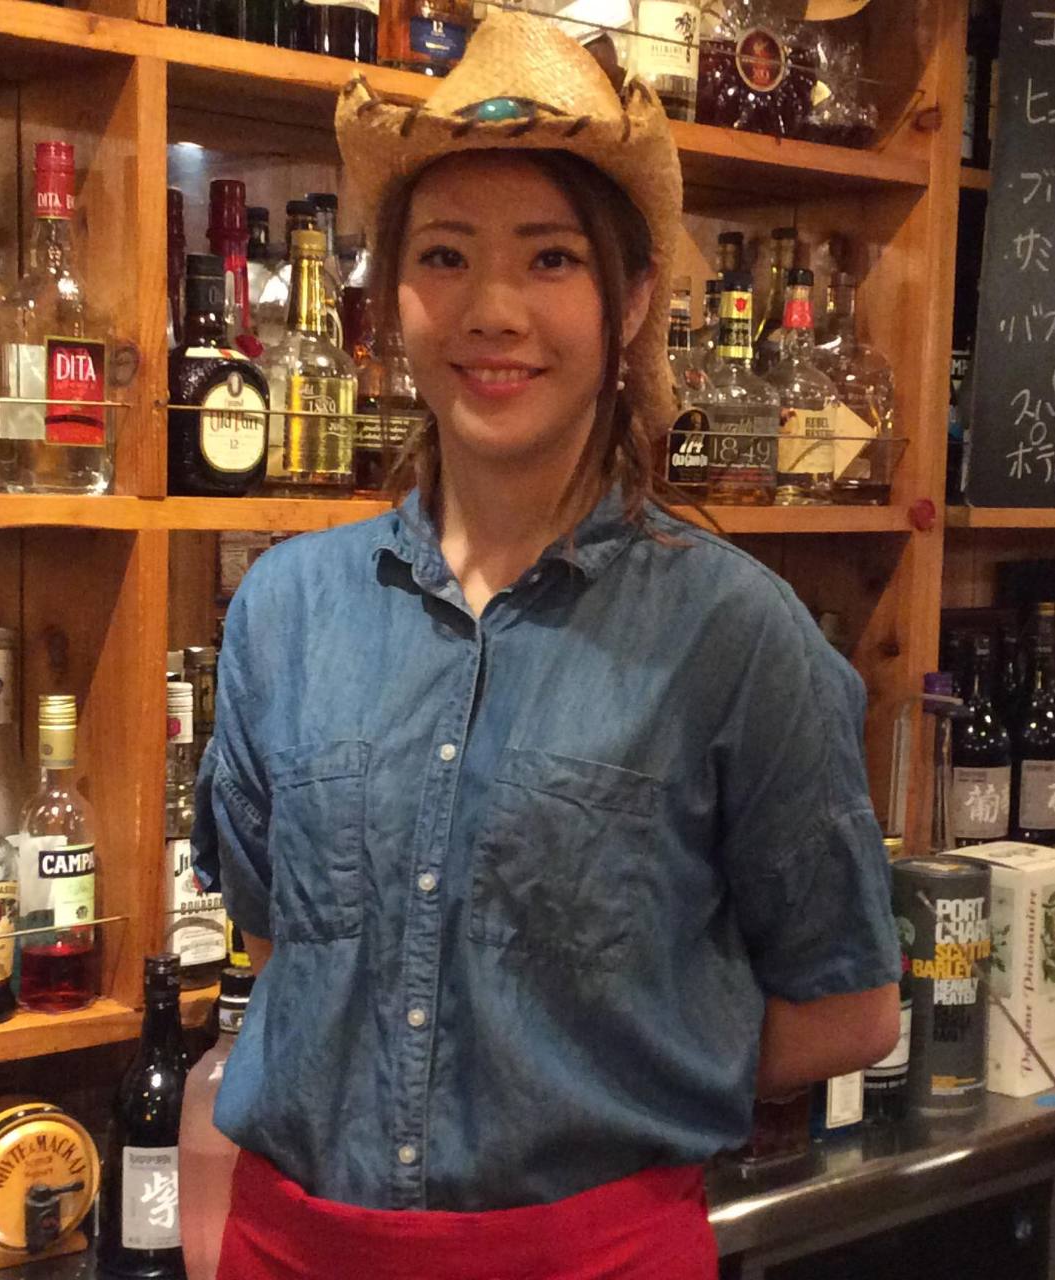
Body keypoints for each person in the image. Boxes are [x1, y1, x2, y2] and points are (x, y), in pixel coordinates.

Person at [192, 11, 900, 1278]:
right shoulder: (283, 611)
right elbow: (280, 941)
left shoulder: (734, 635)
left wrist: (615, 1063)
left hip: (595, 1255)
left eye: (551, 258)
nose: (493, 309)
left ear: (631, 301)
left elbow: (846, 1010)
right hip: (290, 1246)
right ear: (388, 298)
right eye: (444, 256)